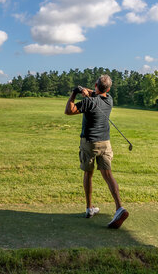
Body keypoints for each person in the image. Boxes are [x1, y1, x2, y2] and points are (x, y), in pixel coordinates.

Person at [64, 74, 128, 229]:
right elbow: (98, 94)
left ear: (95, 84)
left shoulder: (88, 102)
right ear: (109, 88)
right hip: (105, 143)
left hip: (89, 143)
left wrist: (74, 93)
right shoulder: (109, 99)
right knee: (108, 175)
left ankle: (89, 208)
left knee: (88, 173)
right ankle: (119, 207)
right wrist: (85, 91)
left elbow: (69, 110)